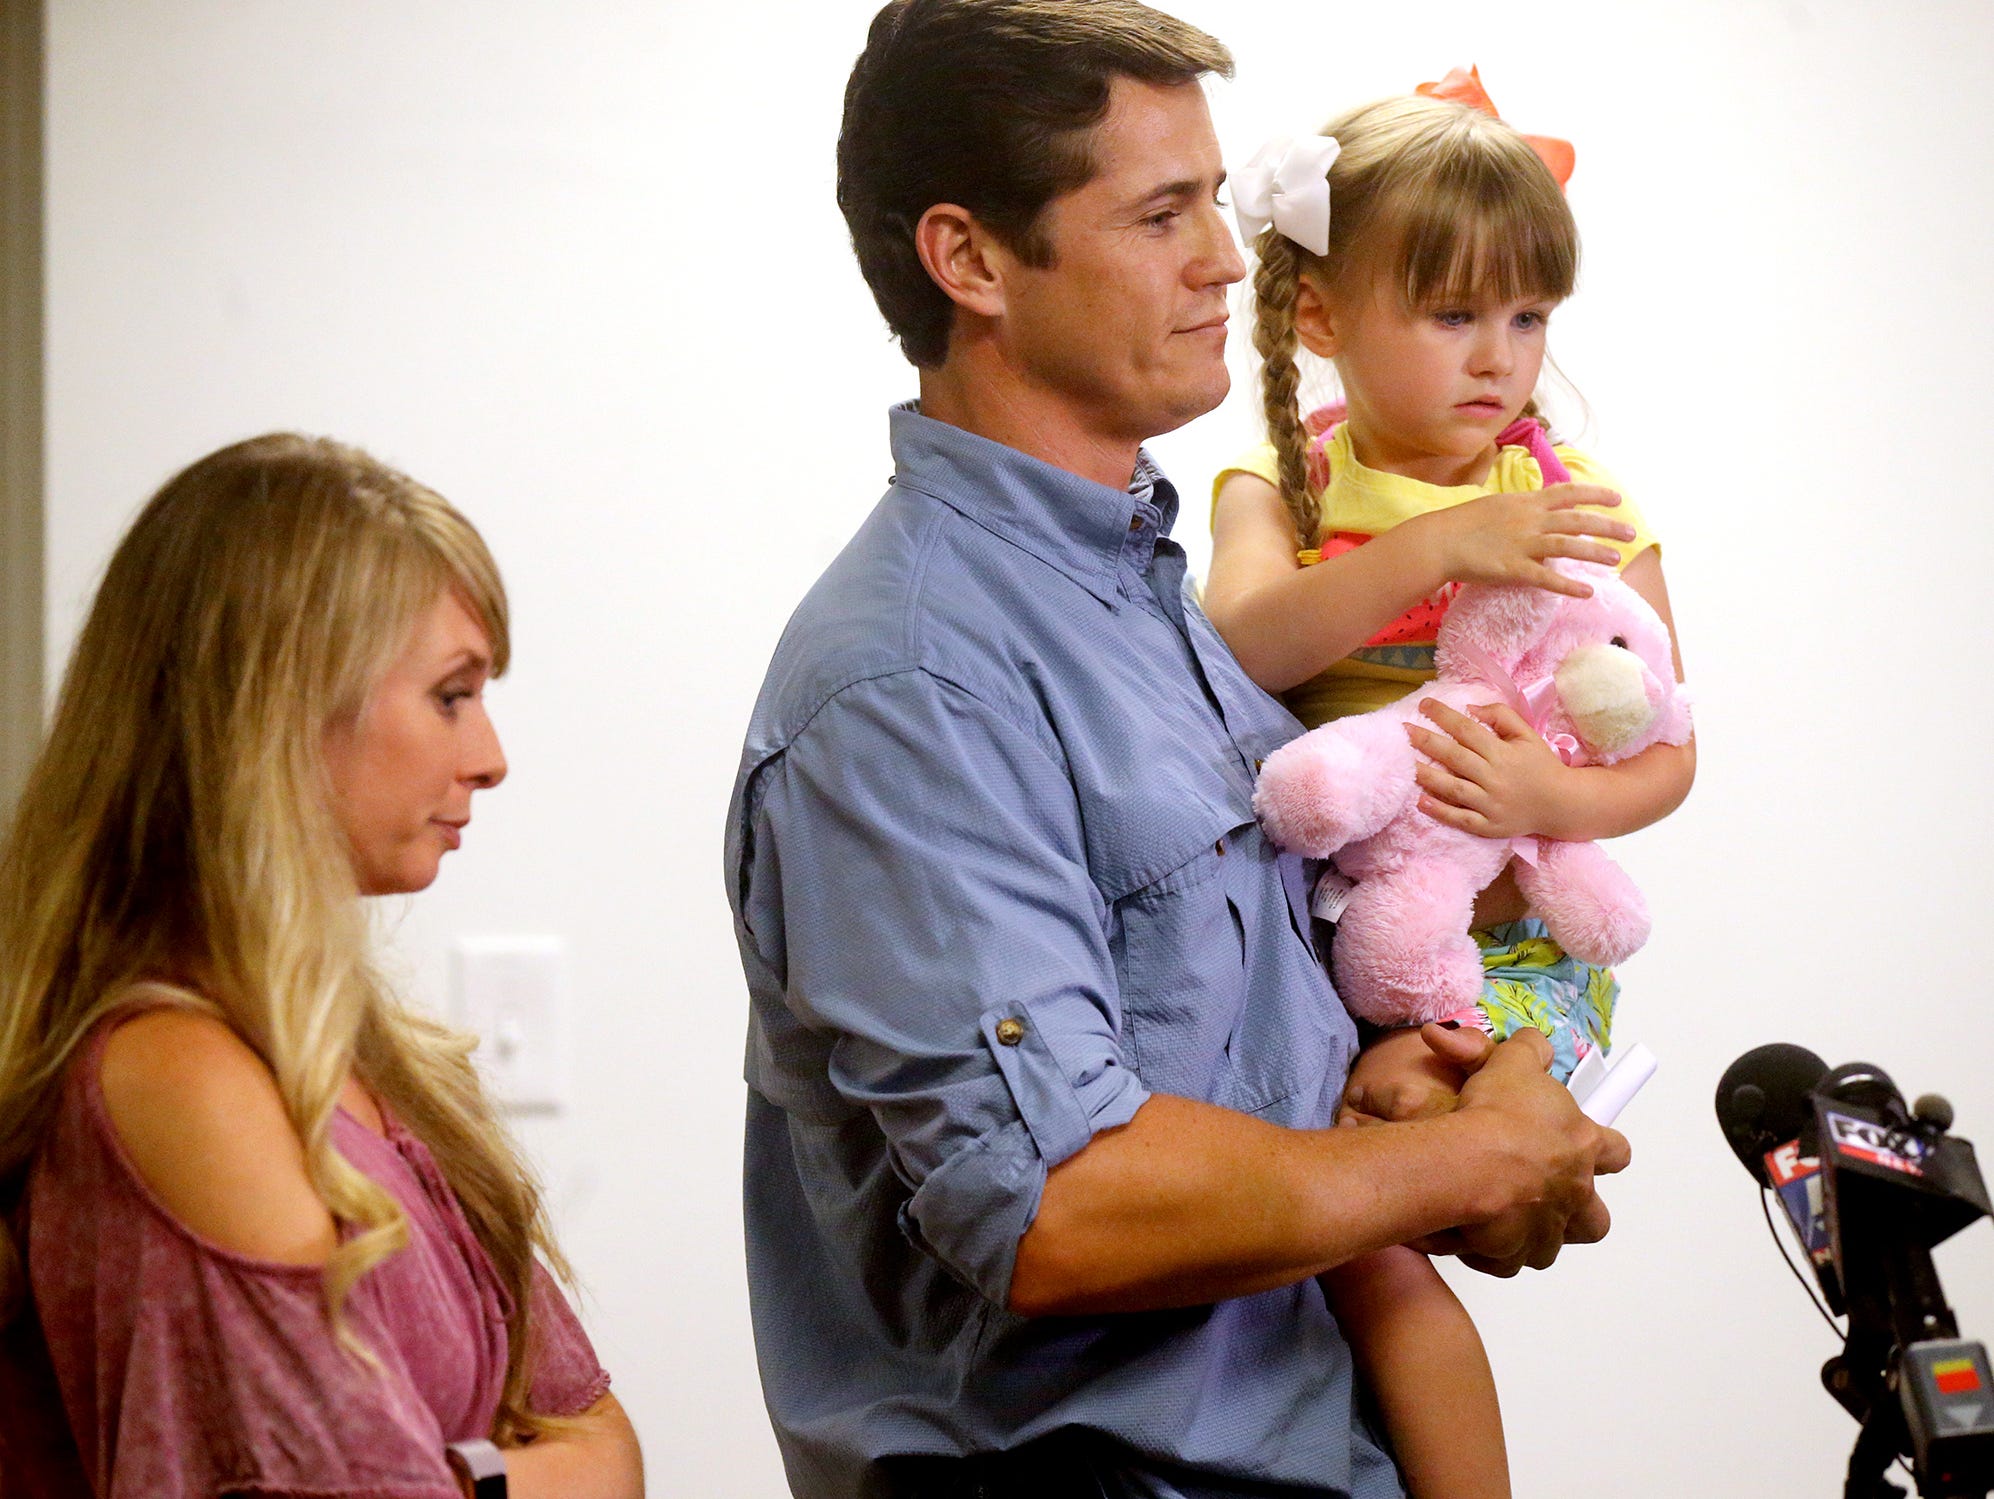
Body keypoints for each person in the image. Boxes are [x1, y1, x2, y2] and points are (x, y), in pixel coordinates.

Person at [727, 5, 1631, 1496]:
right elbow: (1056, 1202)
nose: (1225, 257)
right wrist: (1457, 1163)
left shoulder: (1156, 606)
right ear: (970, 261)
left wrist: (1413, 1078)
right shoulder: (912, 678)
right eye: (1161, 213)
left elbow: (1216, 1046)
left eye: (1213, 198)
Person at [1203, 81, 1696, 1499]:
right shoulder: (1283, 483)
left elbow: (1666, 748)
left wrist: (1547, 787)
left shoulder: (1578, 494)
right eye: (1450, 315)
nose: (1498, 359)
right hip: (1321, 934)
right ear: (1321, 318)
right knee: (1338, 1253)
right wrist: (1443, 548)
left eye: (1527, 317)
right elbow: (1245, 638)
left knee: (1381, 1219)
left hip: (1517, 935)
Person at [0, 435, 645, 1498]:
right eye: (451, 694)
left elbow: (605, 1442)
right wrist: (503, 1471)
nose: (489, 754)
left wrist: (458, 1476)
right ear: (282, 708)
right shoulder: (180, 1082)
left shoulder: (359, 1060)